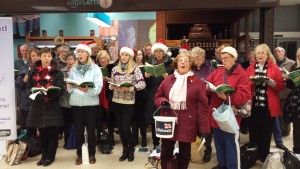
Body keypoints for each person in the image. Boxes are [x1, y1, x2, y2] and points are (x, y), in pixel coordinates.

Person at [154, 52, 210, 169]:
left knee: (185, 154)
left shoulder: (198, 82)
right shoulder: (168, 80)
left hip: (188, 122)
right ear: (176, 64)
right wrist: (163, 102)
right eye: (180, 60)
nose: (183, 62)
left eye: (186, 60)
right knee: (166, 152)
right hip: (168, 121)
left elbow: (203, 107)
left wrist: (204, 127)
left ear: (191, 64)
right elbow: (158, 96)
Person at [206, 46, 252, 169]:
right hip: (217, 112)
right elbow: (208, 83)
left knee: (231, 141)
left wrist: (225, 97)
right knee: (218, 140)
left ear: (234, 58)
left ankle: (232, 166)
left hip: (231, 113)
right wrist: (208, 88)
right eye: (222, 58)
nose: (223, 61)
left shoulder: (242, 74)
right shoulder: (218, 71)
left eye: (226, 58)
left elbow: (244, 96)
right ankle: (222, 164)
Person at [246, 43, 285, 162]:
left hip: (268, 107)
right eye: (258, 53)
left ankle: (264, 157)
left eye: (263, 52)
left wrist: (272, 83)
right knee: (254, 132)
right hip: (254, 105)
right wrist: (252, 81)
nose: (260, 55)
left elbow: (281, 86)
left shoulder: (274, 68)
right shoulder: (250, 68)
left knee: (266, 133)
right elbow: (245, 85)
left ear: (267, 55)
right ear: (255, 55)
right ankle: (254, 156)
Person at [26, 47, 64, 166]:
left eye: (49, 56)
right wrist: (35, 92)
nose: (47, 58)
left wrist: (49, 92)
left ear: (51, 57)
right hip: (38, 105)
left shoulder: (58, 72)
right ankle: (43, 156)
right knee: (42, 134)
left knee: (52, 133)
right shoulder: (32, 72)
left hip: (52, 105)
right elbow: (28, 88)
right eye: (44, 56)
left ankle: (50, 156)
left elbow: (60, 89)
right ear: (40, 57)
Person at [67, 42, 103, 165]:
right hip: (76, 104)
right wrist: (70, 86)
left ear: (88, 54)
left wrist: (88, 90)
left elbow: (99, 87)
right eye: (78, 52)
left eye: (82, 52)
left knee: (92, 130)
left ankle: (92, 153)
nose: (79, 54)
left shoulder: (96, 69)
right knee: (78, 130)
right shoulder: (73, 69)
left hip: (91, 104)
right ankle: (79, 155)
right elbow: (70, 89)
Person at [109, 47, 146, 162]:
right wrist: (111, 86)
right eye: (122, 55)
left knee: (126, 127)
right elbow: (112, 83)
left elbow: (142, 84)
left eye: (126, 55)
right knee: (120, 128)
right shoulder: (115, 69)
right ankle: (125, 149)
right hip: (116, 101)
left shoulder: (135, 69)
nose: (124, 57)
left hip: (129, 102)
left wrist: (130, 88)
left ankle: (131, 149)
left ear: (130, 57)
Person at [144, 40, 173, 149]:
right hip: (152, 94)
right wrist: (146, 77)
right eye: (156, 51)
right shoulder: (150, 64)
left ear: (164, 53)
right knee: (154, 120)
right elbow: (145, 85)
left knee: (165, 119)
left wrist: (168, 77)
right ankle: (156, 145)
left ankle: (166, 144)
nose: (158, 53)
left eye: (160, 51)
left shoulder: (170, 64)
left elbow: (174, 82)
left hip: (166, 95)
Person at [190, 47, 215, 163]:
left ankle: (207, 151)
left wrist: (208, 88)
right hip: (192, 103)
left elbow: (215, 86)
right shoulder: (190, 70)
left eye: (199, 58)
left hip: (206, 102)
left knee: (206, 129)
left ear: (204, 58)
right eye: (195, 59)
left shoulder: (210, 69)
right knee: (193, 128)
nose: (197, 61)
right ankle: (195, 151)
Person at [15, 48, 40, 136]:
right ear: (30, 57)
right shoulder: (24, 68)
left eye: (37, 55)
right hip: (27, 102)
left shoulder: (44, 68)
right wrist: (24, 80)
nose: (35, 57)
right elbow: (18, 84)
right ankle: (30, 147)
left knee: (40, 127)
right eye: (33, 56)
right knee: (28, 127)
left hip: (40, 101)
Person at [274, 46, 295, 138]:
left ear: (284, 53)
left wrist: (287, 76)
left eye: (280, 51)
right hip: (275, 91)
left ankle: (285, 130)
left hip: (286, 91)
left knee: (285, 113)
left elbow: (294, 76)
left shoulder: (291, 63)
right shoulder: (273, 63)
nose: (278, 53)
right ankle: (278, 130)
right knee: (277, 113)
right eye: (276, 52)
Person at [95, 50, 115, 146]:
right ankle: (99, 138)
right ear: (98, 59)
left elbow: (116, 81)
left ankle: (111, 138)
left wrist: (109, 80)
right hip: (98, 96)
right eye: (101, 58)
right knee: (98, 119)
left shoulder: (113, 68)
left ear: (108, 58)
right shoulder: (95, 68)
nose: (103, 60)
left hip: (109, 96)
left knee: (110, 118)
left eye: (105, 57)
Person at [283, 47, 300, 154]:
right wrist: (288, 78)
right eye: (299, 56)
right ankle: (297, 151)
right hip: (296, 101)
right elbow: (290, 86)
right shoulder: (295, 66)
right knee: (297, 127)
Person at [59, 52, 76, 149]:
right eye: (68, 59)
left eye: (72, 59)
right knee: (66, 123)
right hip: (65, 102)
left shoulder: (78, 70)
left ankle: (74, 141)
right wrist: (65, 87)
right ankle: (67, 142)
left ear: (74, 61)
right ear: (66, 61)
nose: (70, 61)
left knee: (76, 123)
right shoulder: (61, 71)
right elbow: (59, 85)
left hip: (75, 101)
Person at [132, 49, 148, 147]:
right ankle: (135, 138)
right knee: (133, 118)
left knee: (142, 118)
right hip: (132, 94)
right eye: (137, 55)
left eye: (140, 54)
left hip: (142, 95)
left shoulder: (146, 67)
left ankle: (144, 138)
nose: (138, 56)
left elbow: (147, 83)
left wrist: (147, 77)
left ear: (143, 56)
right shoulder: (131, 67)